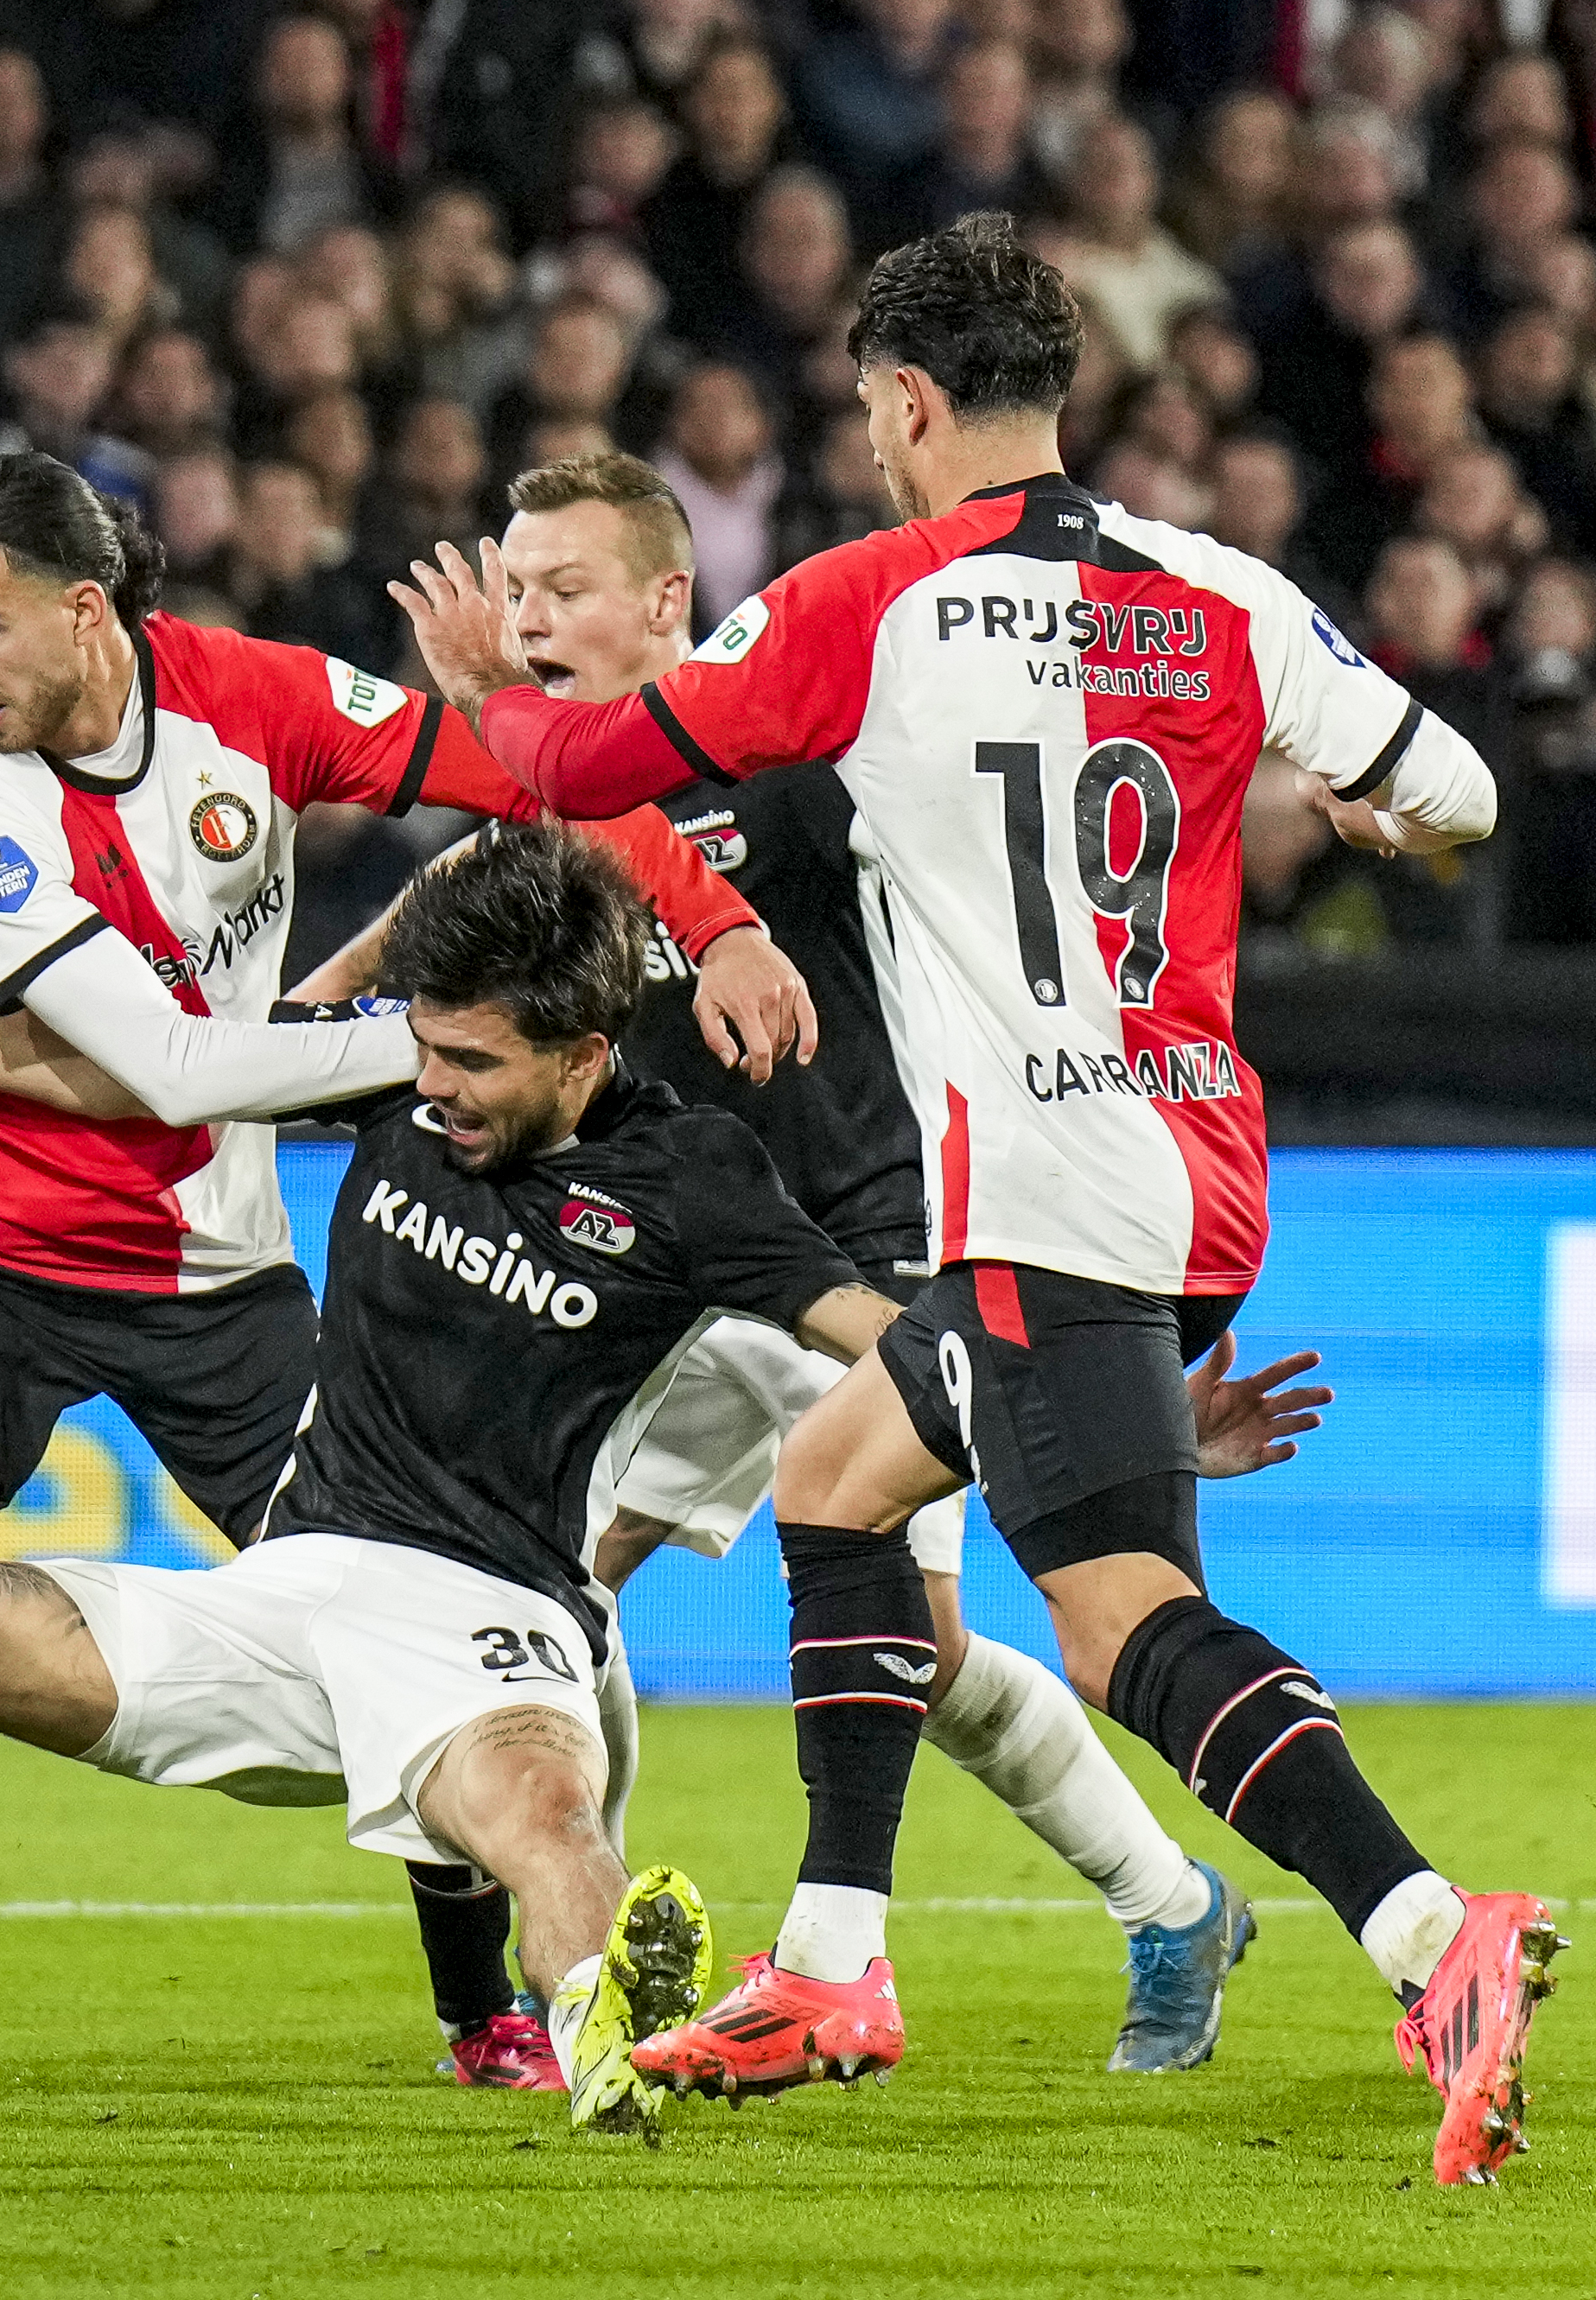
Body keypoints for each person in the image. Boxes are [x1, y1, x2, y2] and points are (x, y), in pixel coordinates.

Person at [386, 215, 1549, 2185]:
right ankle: (835, 1957)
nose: (869, 436)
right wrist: (1363, 800)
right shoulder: (1222, 594)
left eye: (867, 409)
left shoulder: (860, 599)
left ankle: (1432, 1935)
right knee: (837, 1484)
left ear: (907, 402)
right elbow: (1462, 798)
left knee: (1115, 1627)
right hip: (1193, 1150)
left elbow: (586, 756)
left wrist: (487, 691)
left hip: (1032, 1180)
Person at [0, 447, 817, 2097]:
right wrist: (437, 1049)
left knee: (434, 1596)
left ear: (86, 611)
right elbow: (156, 1064)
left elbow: (531, 782)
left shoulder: (255, 700)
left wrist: (709, 920)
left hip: (213, 1268)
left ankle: (491, 2009)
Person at [0, 823, 989, 2132]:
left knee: (545, 1824)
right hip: (284, 1589)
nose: (434, 1084)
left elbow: (884, 1337)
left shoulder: (692, 1177)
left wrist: (1097, 1412)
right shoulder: (388, 1064)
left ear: (581, 1052)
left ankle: (603, 2043)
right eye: (426, 1046)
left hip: (494, 1622)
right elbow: (168, 1064)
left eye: (474, 1061)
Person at [302, 449, 1318, 2074]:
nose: (528, 618)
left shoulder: (793, 751)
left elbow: (1024, 794)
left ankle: (1114, 1910)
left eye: (563, 589)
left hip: (863, 1240)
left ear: (661, 598)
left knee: (882, 1636)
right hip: (671, 1271)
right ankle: (564, 1973)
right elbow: (466, 891)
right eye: (512, 589)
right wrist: (306, 1012)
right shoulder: (559, 781)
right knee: (532, 1584)